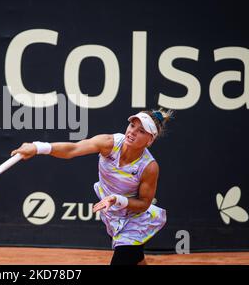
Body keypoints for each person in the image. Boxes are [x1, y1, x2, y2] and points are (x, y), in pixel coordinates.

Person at [11, 108, 174, 265]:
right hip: (113, 214)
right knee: (135, 257)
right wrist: (38, 147)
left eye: (141, 131)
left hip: (135, 219)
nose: (132, 132)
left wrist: (116, 199)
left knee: (125, 256)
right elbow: (73, 149)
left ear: (150, 140)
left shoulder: (149, 167)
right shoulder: (109, 143)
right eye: (132, 126)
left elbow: (144, 204)